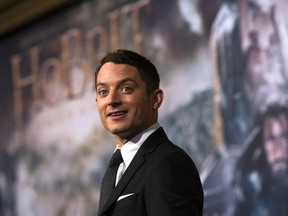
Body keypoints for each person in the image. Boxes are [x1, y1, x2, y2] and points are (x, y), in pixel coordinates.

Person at [94, 49, 203, 216]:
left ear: (155, 99)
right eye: (103, 92)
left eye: (126, 89)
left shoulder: (168, 163)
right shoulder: (114, 171)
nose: (112, 100)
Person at [234, 102, 288, 215]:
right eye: (270, 139)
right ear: (261, 144)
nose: (278, 149)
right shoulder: (253, 190)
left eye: (284, 136)